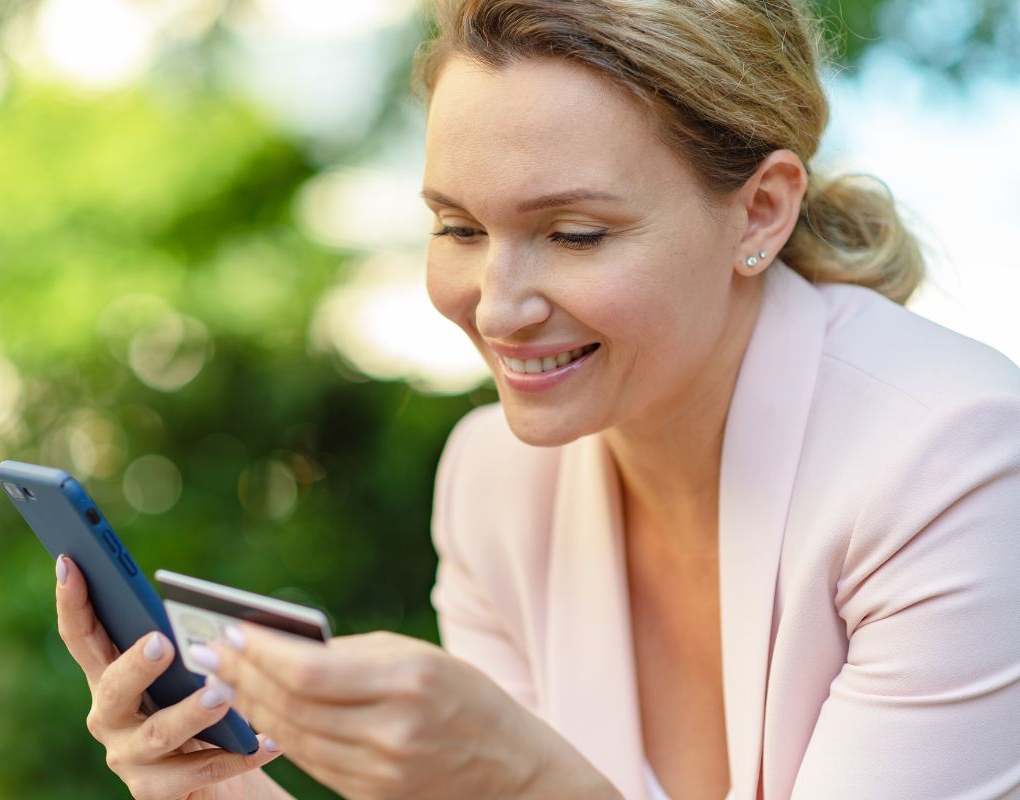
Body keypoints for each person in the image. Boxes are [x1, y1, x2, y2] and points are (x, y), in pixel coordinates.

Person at [52, 1, 1020, 798]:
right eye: (458, 226)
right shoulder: (495, 477)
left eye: (574, 233)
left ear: (760, 210)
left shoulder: (953, 462)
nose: (499, 306)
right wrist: (216, 786)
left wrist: (516, 774)